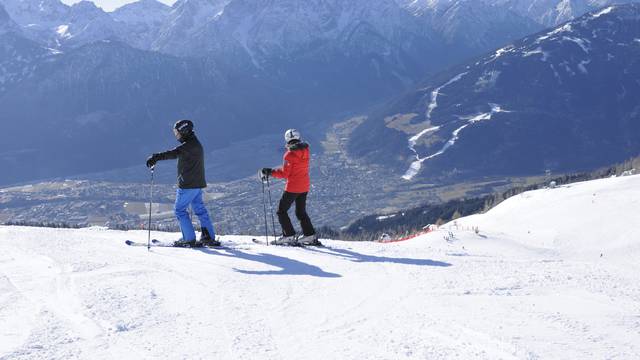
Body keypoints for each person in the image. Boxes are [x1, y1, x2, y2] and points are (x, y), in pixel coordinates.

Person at [146, 120, 219, 247]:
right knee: (200, 209)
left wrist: (155, 157)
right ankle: (208, 237)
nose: (176, 135)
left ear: (184, 131)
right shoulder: (194, 143)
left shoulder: (188, 146)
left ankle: (189, 238)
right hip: (197, 184)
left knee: (179, 210)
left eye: (177, 132)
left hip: (188, 185)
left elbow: (173, 153)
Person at [261, 129, 319, 246]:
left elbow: (285, 174)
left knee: (281, 211)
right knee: (300, 212)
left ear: (287, 139)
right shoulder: (306, 150)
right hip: (304, 185)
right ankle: (310, 235)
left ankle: (289, 235)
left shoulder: (289, 155)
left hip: (293, 187)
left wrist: (270, 172)